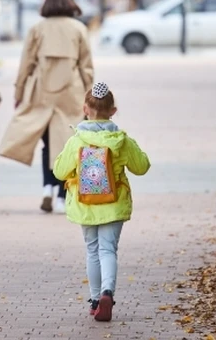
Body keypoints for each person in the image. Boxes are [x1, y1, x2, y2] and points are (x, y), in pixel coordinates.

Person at [53, 82, 151, 322]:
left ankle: (96, 299)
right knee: (108, 249)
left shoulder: (76, 141)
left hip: (85, 204)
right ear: (113, 111)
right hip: (114, 203)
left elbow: (59, 171)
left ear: (85, 109)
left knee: (92, 250)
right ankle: (108, 292)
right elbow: (142, 167)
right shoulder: (121, 140)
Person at [0, 0, 94, 214]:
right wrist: (90, 97)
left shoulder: (37, 29)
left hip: (41, 91)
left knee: (46, 144)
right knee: (67, 144)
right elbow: (86, 67)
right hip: (71, 92)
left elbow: (26, 64)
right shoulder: (79, 29)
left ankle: (46, 188)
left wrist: (19, 93)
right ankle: (62, 196)